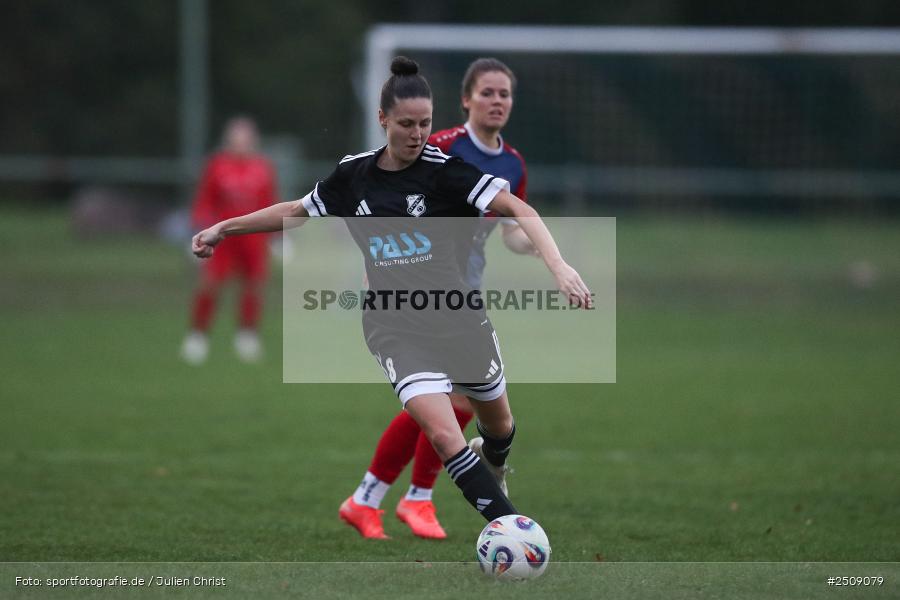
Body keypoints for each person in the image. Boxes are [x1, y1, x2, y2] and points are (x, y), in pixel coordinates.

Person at [192, 57, 591, 535]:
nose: (417, 133)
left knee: (499, 428)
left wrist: (559, 264)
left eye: (424, 123)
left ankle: (490, 469)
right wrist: (223, 228)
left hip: (459, 319)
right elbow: (295, 210)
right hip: (394, 327)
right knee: (446, 436)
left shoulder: (447, 172)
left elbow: (517, 208)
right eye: (406, 124)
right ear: (383, 121)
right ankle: (510, 528)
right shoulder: (353, 176)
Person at [340, 58, 539, 540]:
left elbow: (508, 229)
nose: (497, 101)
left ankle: (378, 497)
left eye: (504, 94)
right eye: (487, 92)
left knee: (453, 403)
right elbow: (382, 204)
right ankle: (407, 498)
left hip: (463, 289)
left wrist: (532, 243)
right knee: (447, 403)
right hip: (420, 294)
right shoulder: (438, 146)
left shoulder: (512, 163)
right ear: (466, 99)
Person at [181, 117, 277, 364]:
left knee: (254, 286)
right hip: (222, 238)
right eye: (237, 138)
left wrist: (279, 237)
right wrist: (199, 231)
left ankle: (247, 335)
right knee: (210, 284)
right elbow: (205, 201)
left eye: (246, 139)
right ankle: (198, 335)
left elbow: (271, 204)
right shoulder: (217, 166)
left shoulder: (262, 168)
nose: (241, 144)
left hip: (253, 239)